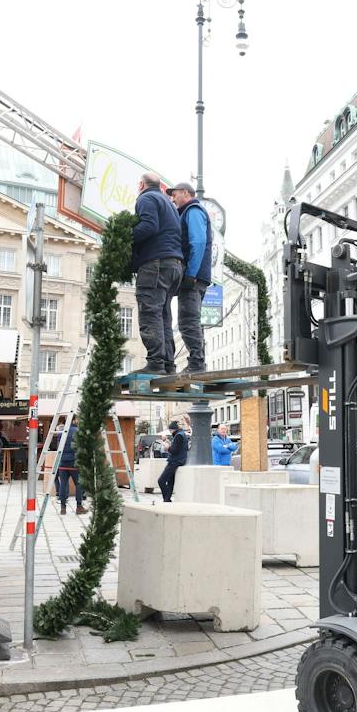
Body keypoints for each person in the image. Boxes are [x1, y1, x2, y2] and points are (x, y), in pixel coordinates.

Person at [130, 171, 184, 375]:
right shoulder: (168, 203)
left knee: (150, 311)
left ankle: (155, 363)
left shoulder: (147, 198)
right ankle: (167, 364)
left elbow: (148, 226)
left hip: (155, 264)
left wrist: (126, 236)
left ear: (141, 185)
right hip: (173, 265)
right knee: (163, 315)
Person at [169, 181, 213, 375]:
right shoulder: (189, 212)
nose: (173, 198)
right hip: (195, 276)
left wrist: (191, 274)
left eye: (175, 194)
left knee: (187, 320)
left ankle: (196, 363)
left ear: (185, 193)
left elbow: (197, 242)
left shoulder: (193, 211)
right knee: (190, 320)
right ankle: (196, 362)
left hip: (194, 277)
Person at [56, 422, 86, 515]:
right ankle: (79, 506)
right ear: (74, 420)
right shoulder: (78, 432)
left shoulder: (61, 432)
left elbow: (58, 447)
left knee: (63, 484)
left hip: (62, 463)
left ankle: (63, 508)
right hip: (74, 462)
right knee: (79, 484)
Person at [157, 419, 190, 503]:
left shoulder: (178, 436)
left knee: (161, 481)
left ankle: (166, 499)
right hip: (179, 460)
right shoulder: (182, 434)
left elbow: (174, 450)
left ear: (173, 429)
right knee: (170, 482)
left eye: (170, 430)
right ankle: (167, 499)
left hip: (175, 461)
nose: (170, 432)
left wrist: (167, 447)